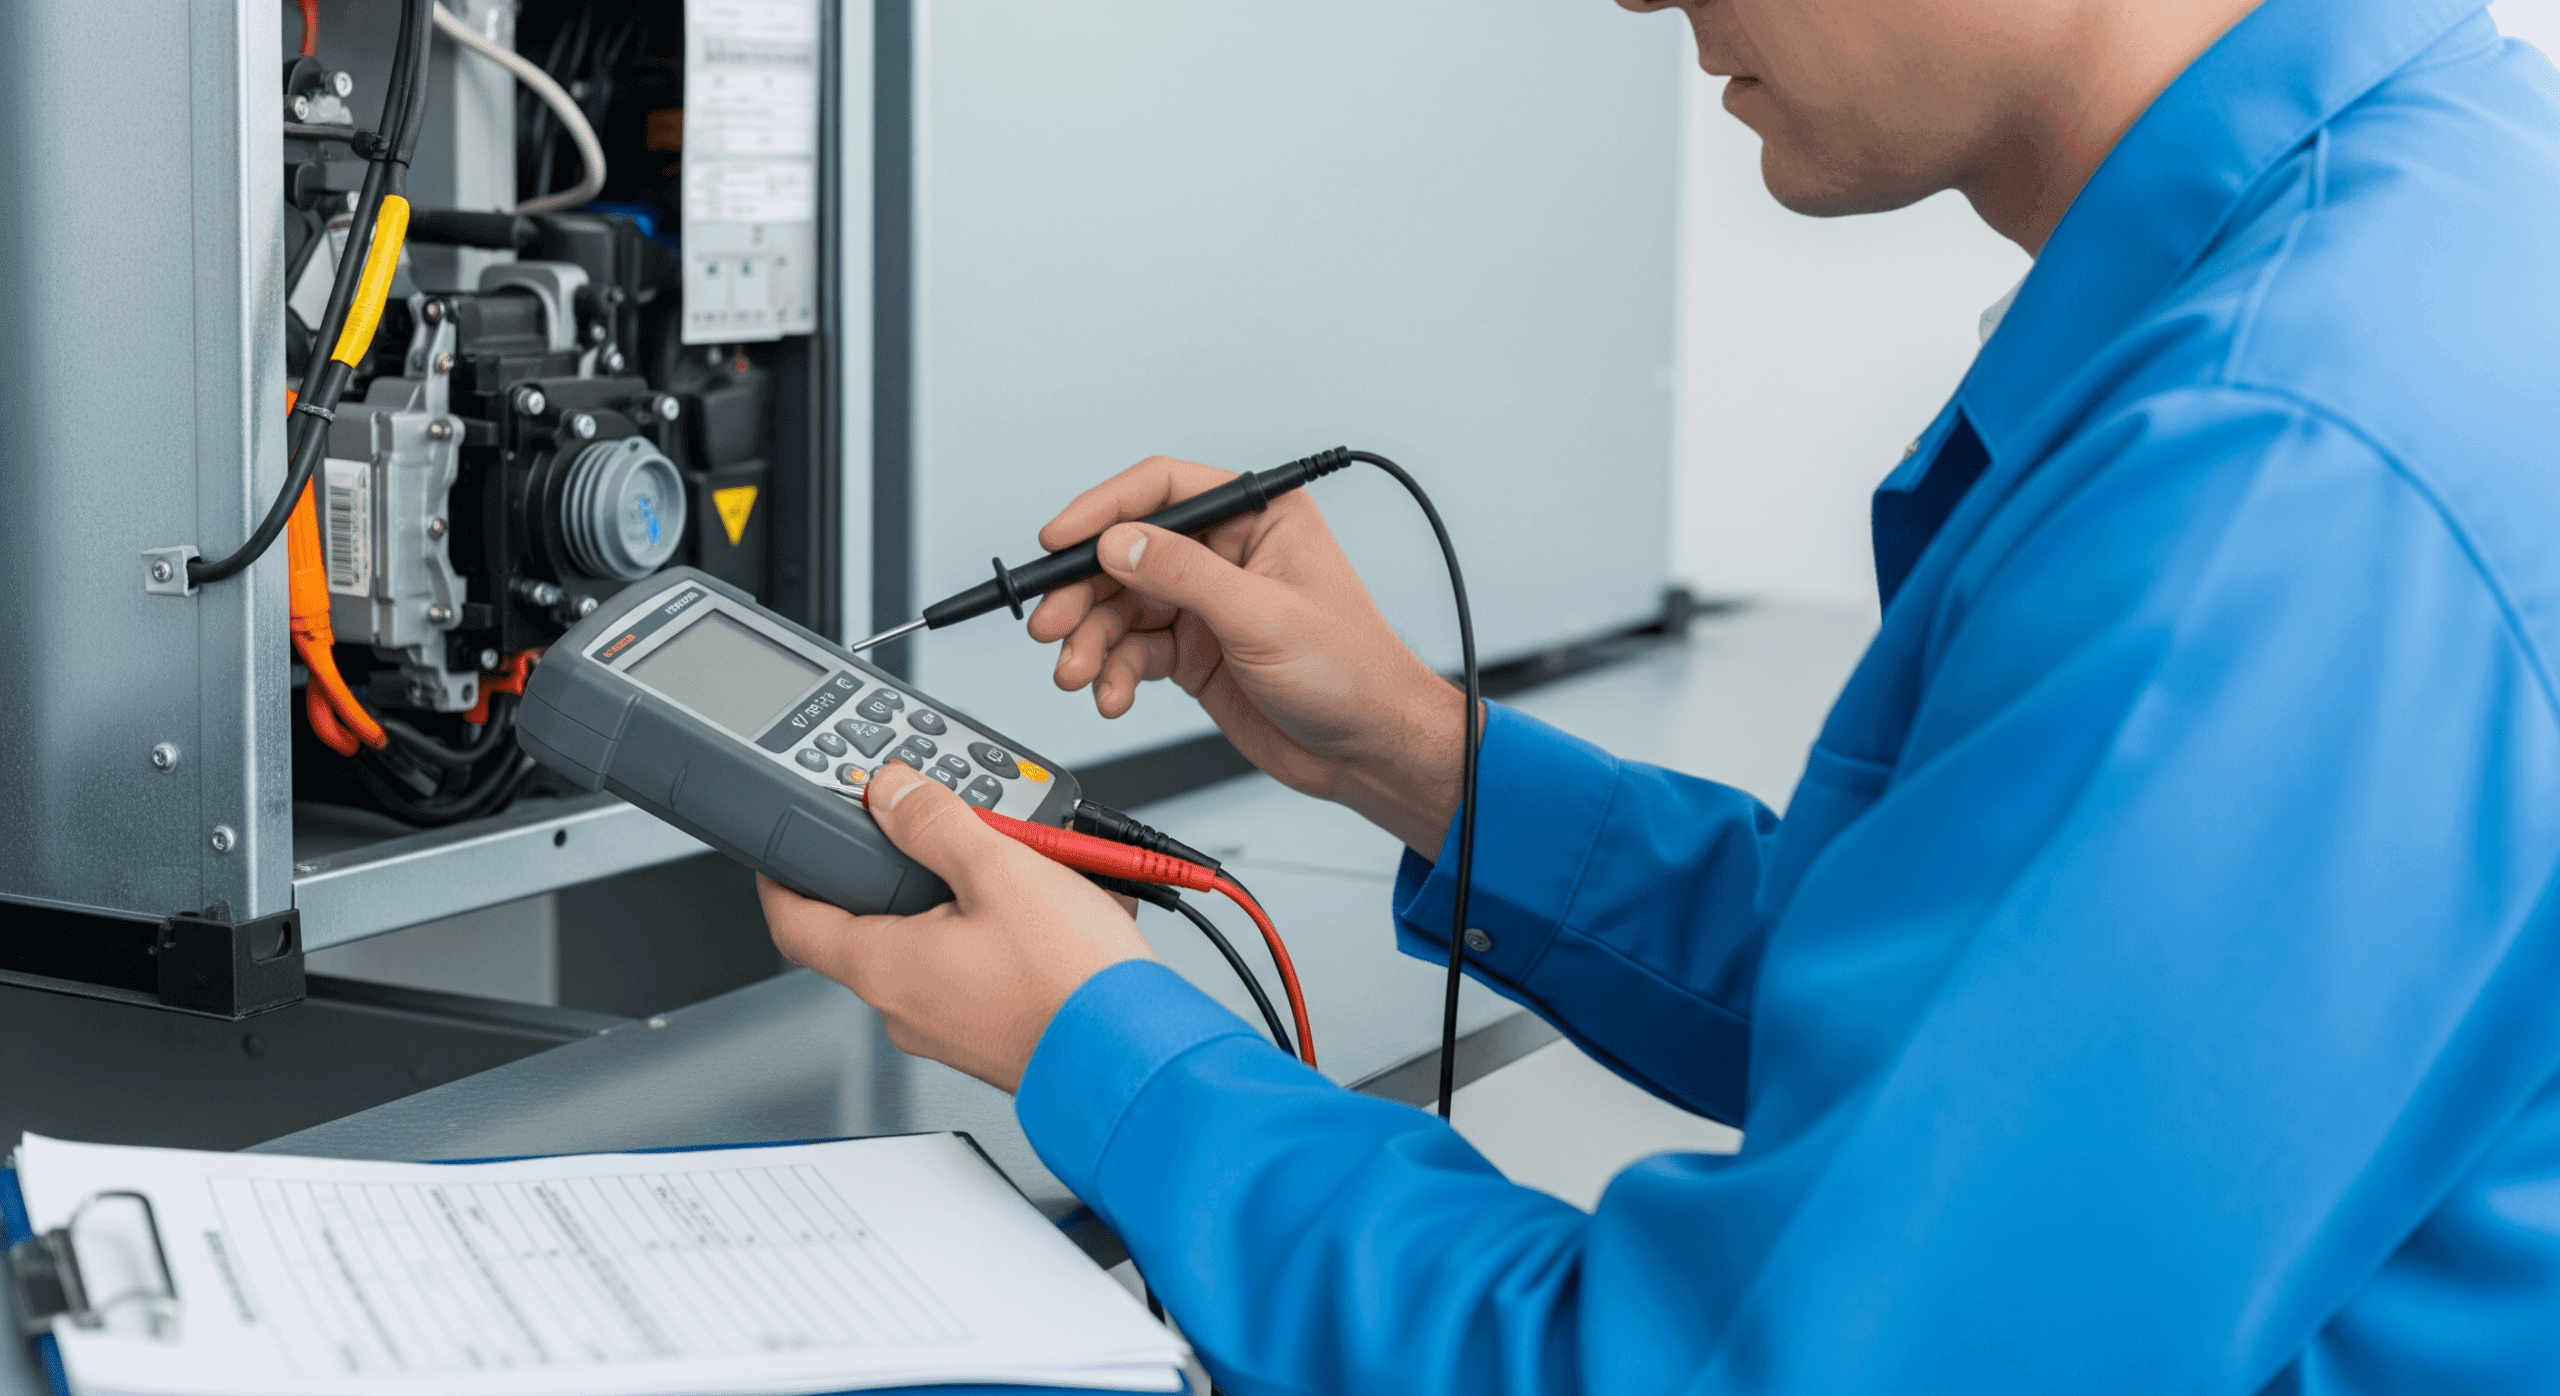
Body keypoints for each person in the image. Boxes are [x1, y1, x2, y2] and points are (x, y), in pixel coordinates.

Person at [760, 0, 2560, 1386]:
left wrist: (1114, 1050)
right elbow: (2020, 1026)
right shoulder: (2406, 231)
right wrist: (1432, 762)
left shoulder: (2274, 478)